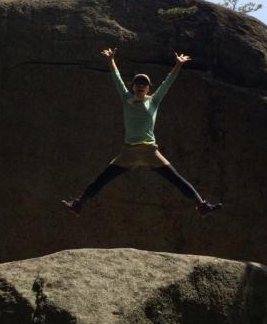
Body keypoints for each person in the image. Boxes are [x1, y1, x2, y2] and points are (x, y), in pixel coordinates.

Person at [62, 47, 222, 217]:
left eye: (144, 84)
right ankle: (78, 204)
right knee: (102, 179)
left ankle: (202, 206)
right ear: (133, 87)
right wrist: (110, 60)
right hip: (128, 151)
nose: (141, 86)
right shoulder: (126, 98)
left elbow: (167, 83)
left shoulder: (154, 101)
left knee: (176, 179)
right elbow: (117, 79)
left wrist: (178, 65)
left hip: (150, 151)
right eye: (138, 83)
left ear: (148, 88)